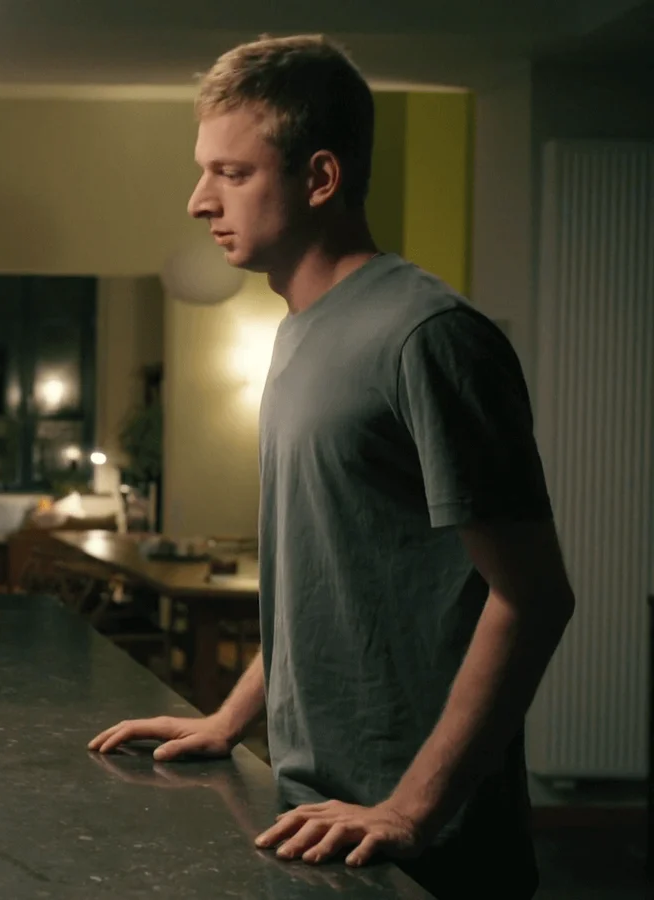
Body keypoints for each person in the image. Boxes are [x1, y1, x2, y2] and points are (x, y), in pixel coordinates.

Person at [88, 35, 575, 899]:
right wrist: (230, 718)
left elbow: (534, 596)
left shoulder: (429, 336)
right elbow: (323, 579)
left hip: (423, 843)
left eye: (232, 173)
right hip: (314, 809)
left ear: (319, 178)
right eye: (204, 172)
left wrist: (410, 809)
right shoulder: (295, 335)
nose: (199, 201)